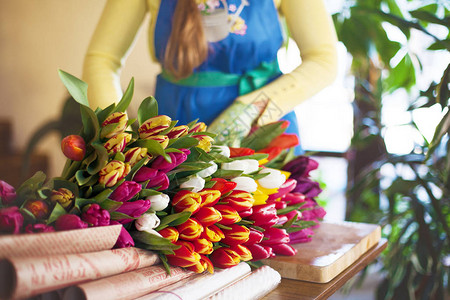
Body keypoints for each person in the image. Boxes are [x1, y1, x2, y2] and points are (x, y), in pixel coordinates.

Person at [83, 0, 338, 149]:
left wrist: (250, 110)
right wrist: (117, 135)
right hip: (174, 136)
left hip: (260, 133)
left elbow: (324, 59)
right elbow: (102, 60)